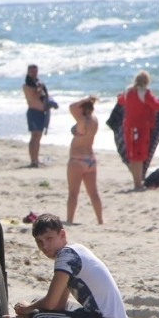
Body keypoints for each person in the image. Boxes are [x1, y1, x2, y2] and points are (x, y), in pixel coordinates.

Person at [2, 214, 127, 318]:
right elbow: (58, 306)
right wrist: (31, 309)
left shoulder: (66, 256)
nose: (44, 246)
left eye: (49, 239)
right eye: (39, 242)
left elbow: (50, 303)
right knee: (39, 308)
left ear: (62, 234)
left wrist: (26, 313)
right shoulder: (75, 250)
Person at [117, 70, 159, 190]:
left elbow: (121, 100)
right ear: (147, 81)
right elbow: (157, 105)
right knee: (139, 155)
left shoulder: (128, 91)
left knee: (132, 155)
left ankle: (136, 182)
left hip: (128, 127)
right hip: (140, 128)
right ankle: (138, 185)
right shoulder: (145, 93)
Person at [66, 96, 103, 225]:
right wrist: (89, 101)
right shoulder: (95, 121)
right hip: (91, 159)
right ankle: (100, 220)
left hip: (77, 159)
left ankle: (70, 220)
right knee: (93, 193)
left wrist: (85, 99)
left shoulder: (82, 121)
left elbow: (71, 106)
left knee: (73, 193)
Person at [23, 64, 47, 167]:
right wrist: (40, 88)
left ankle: (36, 159)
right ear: (28, 72)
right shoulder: (27, 85)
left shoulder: (38, 83)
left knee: (39, 137)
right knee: (34, 136)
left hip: (41, 113)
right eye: (32, 71)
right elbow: (33, 97)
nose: (34, 73)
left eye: (35, 71)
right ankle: (33, 160)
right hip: (33, 112)